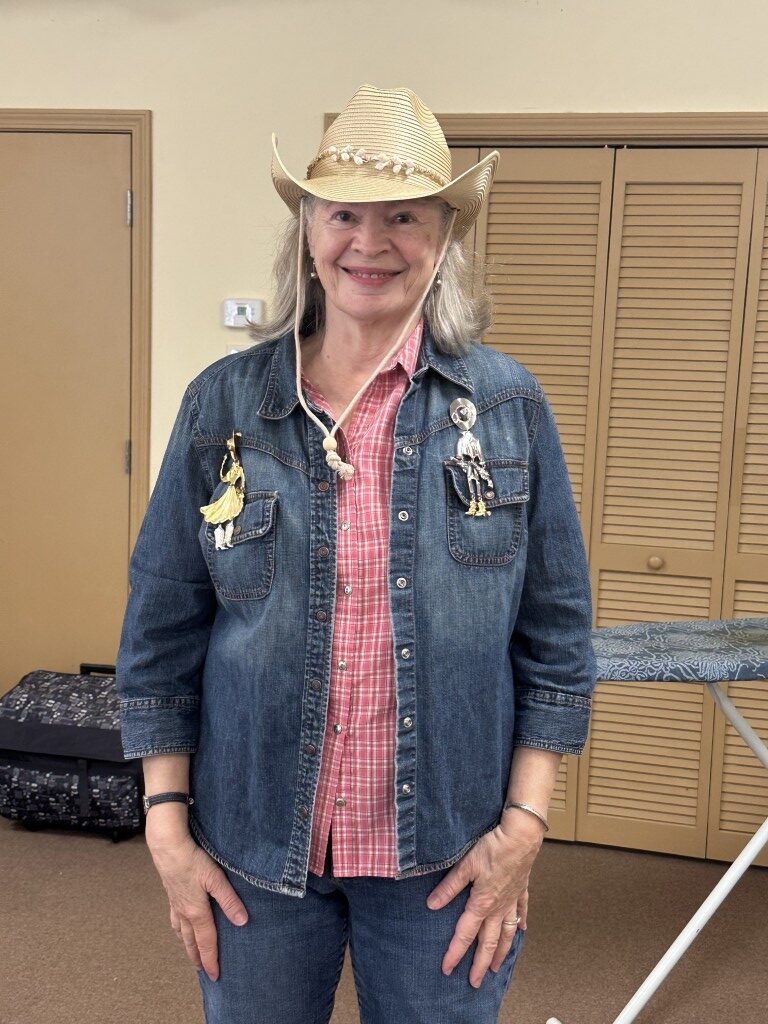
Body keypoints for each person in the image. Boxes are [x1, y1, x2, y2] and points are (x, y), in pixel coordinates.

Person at [116, 83, 597, 1024]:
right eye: (343, 214)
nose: (369, 242)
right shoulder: (224, 405)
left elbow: (556, 638)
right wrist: (166, 828)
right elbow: (161, 626)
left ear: (444, 238)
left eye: (404, 217)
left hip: (447, 852)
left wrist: (524, 828)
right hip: (252, 847)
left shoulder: (507, 408)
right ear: (307, 231)